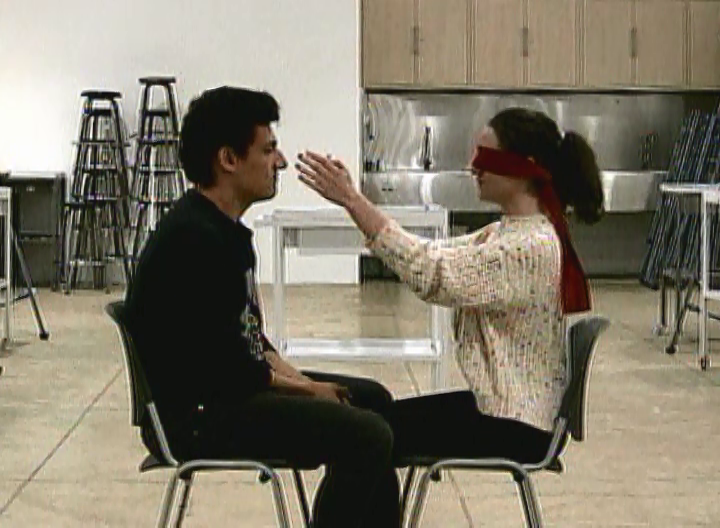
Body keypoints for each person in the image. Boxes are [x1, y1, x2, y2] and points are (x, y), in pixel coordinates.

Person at [124, 86, 400, 528]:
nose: (282, 162)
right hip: (199, 417)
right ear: (228, 159)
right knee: (367, 435)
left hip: (226, 394)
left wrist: (306, 382)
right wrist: (309, 391)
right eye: (268, 150)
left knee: (373, 401)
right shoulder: (195, 240)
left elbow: (250, 341)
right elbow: (232, 373)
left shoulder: (222, 231)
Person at [296, 107, 604, 467]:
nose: (474, 167)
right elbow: (433, 254)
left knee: (366, 436)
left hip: (516, 424)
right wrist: (360, 208)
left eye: (486, 157)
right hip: (509, 411)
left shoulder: (527, 247)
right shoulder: (512, 232)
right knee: (372, 419)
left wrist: (353, 201)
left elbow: (432, 274)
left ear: (526, 167)